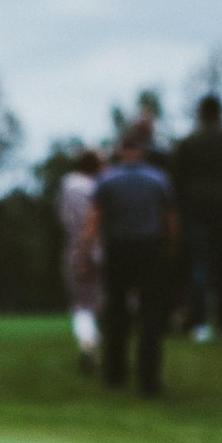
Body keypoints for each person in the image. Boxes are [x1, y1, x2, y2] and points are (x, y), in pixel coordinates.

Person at [88, 124, 179, 396]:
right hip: (149, 249)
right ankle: (148, 380)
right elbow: (172, 219)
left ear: (120, 151)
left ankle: (114, 373)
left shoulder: (107, 179)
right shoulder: (158, 179)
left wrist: (84, 253)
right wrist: (172, 247)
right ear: (142, 152)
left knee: (116, 311)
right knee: (150, 314)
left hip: (118, 249)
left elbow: (93, 221)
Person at [171, 95, 222, 340]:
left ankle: (199, 323)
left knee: (199, 267)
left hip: (196, 212)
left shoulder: (189, 144)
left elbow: (177, 181)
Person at [56, 149, 106, 365]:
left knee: (82, 304)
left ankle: (87, 342)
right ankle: (98, 343)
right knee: (100, 301)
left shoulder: (66, 188)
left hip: (75, 248)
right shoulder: (97, 189)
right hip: (98, 248)